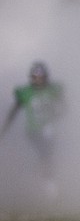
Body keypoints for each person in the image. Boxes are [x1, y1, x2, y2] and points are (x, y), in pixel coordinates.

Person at [1, 61, 63, 199]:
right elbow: (14, 111)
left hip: (50, 129)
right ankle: (49, 187)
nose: (39, 80)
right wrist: (5, 128)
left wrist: (59, 114)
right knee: (45, 156)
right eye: (36, 77)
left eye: (41, 77)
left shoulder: (53, 90)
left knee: (48, 156)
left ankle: (47, 183)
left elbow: (64, 107)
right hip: (34, 131)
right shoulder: (26, 92)